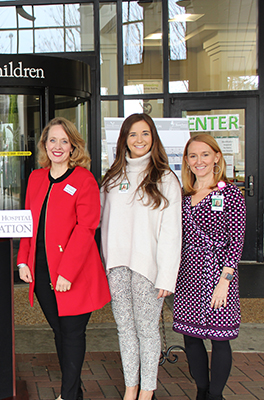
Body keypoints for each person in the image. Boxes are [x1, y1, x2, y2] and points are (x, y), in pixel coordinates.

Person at [17, 117, 110, 400]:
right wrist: (23, 260)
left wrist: (67, 273)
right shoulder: (36, 178)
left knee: (71, 333)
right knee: (60, 332)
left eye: (64, 141)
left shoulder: (83, 179)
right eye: (52, 140)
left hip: (74, 273)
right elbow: (28, 223)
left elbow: (86, 228)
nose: (57, 146)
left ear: (73, 146)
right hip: (42, 270)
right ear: (45, 145)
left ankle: (68, 395)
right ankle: (74, 392)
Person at [100, 113, 182, 400]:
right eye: (133, 134)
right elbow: (100, 221)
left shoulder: (165, 178)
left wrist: (167, 275)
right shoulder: (112, 178)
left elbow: (172, 231)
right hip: (117, 266)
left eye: (145, 133)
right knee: (125, 330)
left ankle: (146, 391)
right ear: (124, 139)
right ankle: (130, 387)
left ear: (153, 138)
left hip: (148, 268)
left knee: (147, 331)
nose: (139, 139)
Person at [173, 134, 245, 400]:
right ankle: (201, 391)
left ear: (217, 157)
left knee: (219, 338)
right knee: (191, 337)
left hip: (218, 274)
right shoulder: (183, 196)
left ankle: (216, 395)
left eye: (205, 154)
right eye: (193, 155)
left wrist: (225, 281)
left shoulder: (230, 194)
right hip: (188, 274)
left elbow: (236, 241)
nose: (199, 161)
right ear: (186, 161)